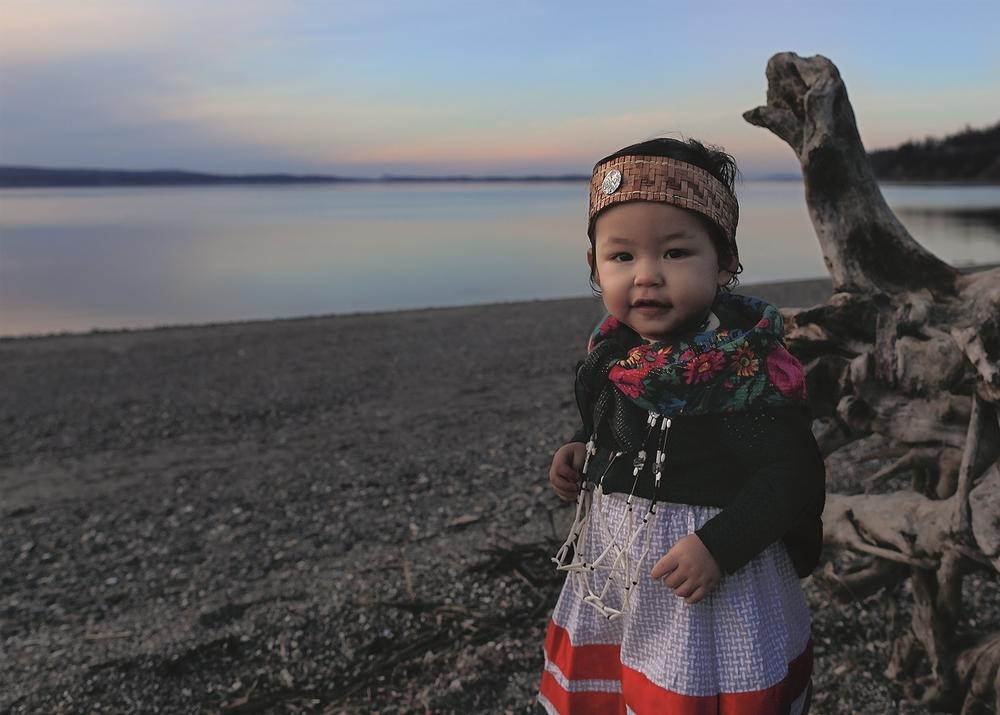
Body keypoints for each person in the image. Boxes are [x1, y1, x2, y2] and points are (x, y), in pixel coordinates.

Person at [536, 137, 825, 714]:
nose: (646, 276)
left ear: (723, 263)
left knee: (696, 690)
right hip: (621, 574)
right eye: (623, 257)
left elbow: (789, 473)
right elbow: (608, 424)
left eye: (674, 253)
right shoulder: (611, 356)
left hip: (708, 581)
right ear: (594, 265)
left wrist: (720, 546)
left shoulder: (739, 372)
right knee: (621, 682)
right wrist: (581, 450)